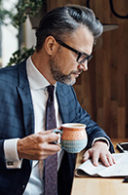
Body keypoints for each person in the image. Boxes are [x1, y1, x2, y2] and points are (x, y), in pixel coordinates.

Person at [0, 5, 115, 195]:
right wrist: (17, 149)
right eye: (80, 56)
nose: (84, 67)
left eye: (88, 58)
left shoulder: (63, 89)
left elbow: (85, 123)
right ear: (51, 45)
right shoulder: (3, 85)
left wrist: (100, 144)